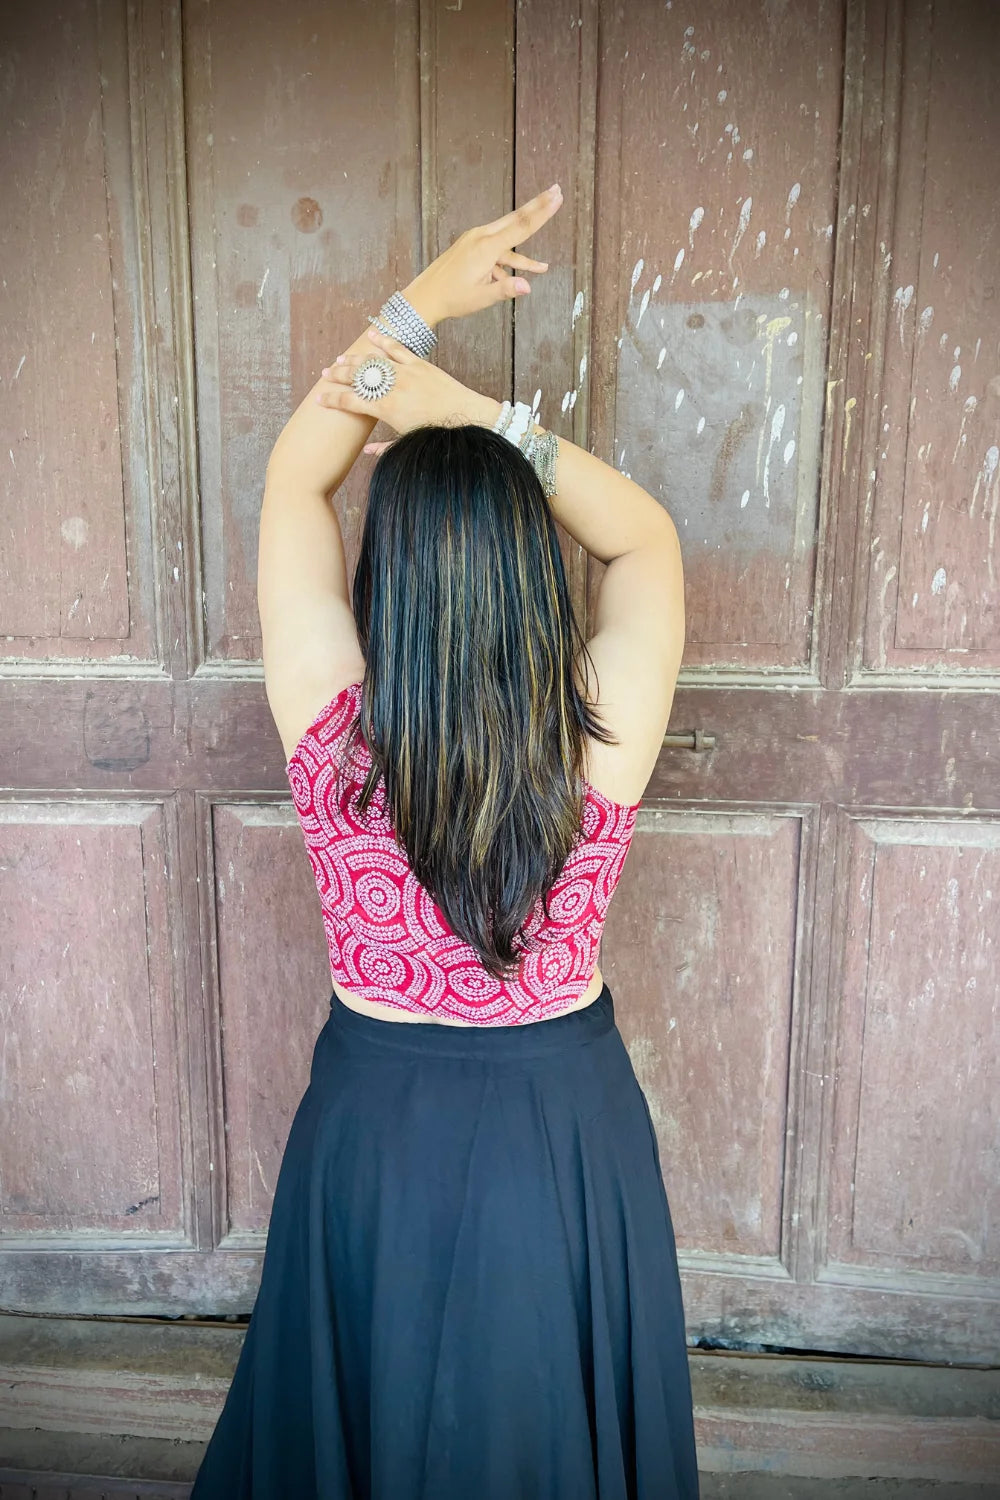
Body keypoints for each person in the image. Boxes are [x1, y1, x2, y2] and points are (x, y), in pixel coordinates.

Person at [190, 184, 697, 1498]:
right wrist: (477, 419)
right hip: (566, 1131)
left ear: (387, 577)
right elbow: (644, 538)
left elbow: (294, 477)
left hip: (376, 1131)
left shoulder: (334, 729)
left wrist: (410, 317)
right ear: (537, 571)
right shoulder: (605, 734)